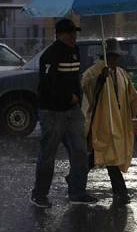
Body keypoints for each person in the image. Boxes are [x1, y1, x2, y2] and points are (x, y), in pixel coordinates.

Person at [30, 18, 97, 208]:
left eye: (75, 33)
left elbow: (76, 78)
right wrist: (68, 98)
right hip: (51, 112)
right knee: (48, 154)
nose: (74, 36)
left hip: (72, 111)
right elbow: (48, 84)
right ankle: (39, 194)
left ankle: (77, 191)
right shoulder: (50, 55)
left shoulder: (75, 52)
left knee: (80, 151)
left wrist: (76, 96)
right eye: (70, 33)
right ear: (59, 34)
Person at [81, 38, 137, 205]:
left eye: (116, 56)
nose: (115, 59)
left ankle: (75, 178)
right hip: (101, 123)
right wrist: (99, 81)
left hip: (117, 122)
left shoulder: (121, 74)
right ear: (105, 55)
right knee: (110, 158)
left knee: (103, 155)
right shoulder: (94, 72)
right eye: (111, 56)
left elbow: (132, 95)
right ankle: (121, 192)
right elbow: (86, 89)